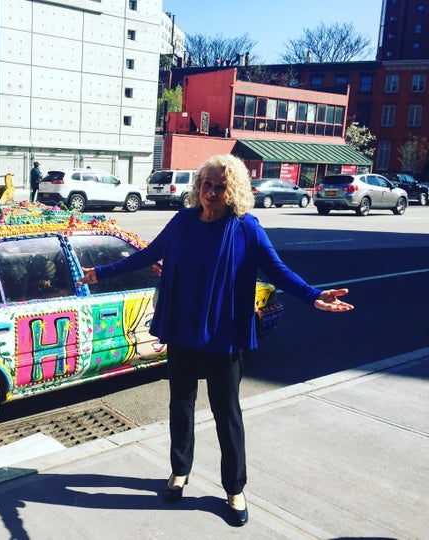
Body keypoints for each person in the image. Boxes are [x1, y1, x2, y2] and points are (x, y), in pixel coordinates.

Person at [76, 154, 353, 527]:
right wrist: (102, 273)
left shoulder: (246, 228)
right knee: (181, 406)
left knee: (227, 415)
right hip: (183, 330)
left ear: (233, 189)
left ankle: (235, 489)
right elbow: (148, 254)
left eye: (219, 186)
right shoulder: (184, 222)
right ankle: (179, 472)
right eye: (206, 184)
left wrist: (313, 295)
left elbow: (278, 270)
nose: (210, 191)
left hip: (224, 335)